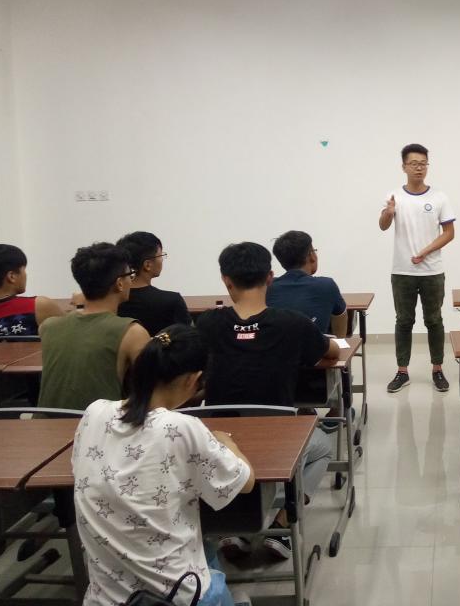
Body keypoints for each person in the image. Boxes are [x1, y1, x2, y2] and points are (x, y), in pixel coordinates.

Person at [73, 325, 255, 606]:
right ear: (193, 379)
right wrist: (227, 443)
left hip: (104, 598)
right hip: (175, 598)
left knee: (204, 547)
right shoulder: (180, 426)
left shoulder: (94, 412)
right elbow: (245, 481)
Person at [194, 242, 337, 562]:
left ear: (226, 280)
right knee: (323, 447)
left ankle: (232, 527)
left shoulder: (207, 324)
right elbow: (331, 352)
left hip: (219, 440)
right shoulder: (293, 323)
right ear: (270, 277)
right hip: (278, 438)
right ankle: (282, 524)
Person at [379, 143, 456, 394]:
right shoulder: (394, 196)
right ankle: (402, 371)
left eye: (423, 163)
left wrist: (425, 251)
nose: (419, 168)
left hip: (432, 271)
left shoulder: (439, 197)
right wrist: (389, 213)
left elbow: (449, 233)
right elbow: (383, 226)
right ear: (404, 167)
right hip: (402, 271)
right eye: (413, 163)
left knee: (434, 320)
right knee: (404, 321)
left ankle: (437, 369)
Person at [38, 243, 151, 410]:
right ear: (120, 283)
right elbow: (152, 392)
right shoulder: (132, 332)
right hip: (98, 424)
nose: (131, 280)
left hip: (45, 424)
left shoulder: (48, 327)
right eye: (130, 275)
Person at [0, 244, 63, 339]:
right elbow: (70, 337)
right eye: (24, 270)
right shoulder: (38, 306)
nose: (26, 275)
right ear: (12, 276)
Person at [268, 230, 348, 336]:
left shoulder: (267, 287)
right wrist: (339, 341)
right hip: (315, 346)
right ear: (311, 256)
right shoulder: (326, 285)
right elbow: (340, 316)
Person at [116, 231, 192, 336]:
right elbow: (189, 339)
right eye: (160, 255)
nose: (162, 260)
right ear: (147, 265)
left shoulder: (114, 301)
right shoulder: (172, 301)